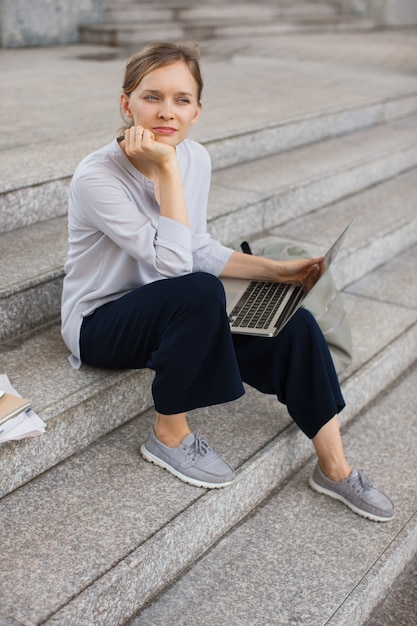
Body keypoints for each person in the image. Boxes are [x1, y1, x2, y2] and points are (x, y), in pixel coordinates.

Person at [61, 40, 394, 522]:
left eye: (182, 100)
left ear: (197, 110)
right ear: (125, 103)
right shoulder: (97, 178)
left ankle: (335, 467)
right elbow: (175, 270)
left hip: (177, 313)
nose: (166, 112)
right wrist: (167, 172)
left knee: (292, 324)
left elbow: (194, 247)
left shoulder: (196, 158)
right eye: (151, 97)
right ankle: (169, 433)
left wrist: (277, 272)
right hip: (102, 321)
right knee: (199, 292)